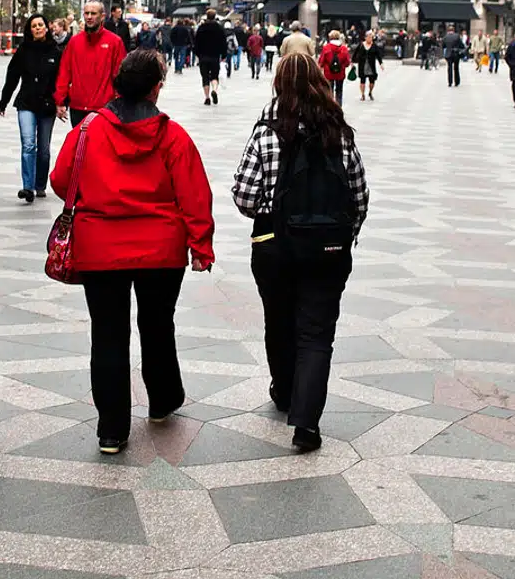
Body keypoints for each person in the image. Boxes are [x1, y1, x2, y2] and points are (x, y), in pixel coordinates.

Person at [49, 50, 214, 454]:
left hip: (100, 247)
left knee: (108, 334)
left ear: (117, 83)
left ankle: (111, 429)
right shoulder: (173, 136)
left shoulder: (87, 130)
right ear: (157, 88)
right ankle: (162, 400)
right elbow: (194, 195)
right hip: (161, 249)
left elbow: (59, 181)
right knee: (158, 325)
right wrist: (200, 245)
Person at [233, 54, 369, 452]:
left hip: (274, 247)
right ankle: (306, 424)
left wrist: (270, 211)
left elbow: (243, 195)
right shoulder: (339, 134)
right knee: (316, 335)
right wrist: (345, 234)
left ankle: (284, 389)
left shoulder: (266, 132)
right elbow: (359, 195)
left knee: (278, 320)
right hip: (328, 250)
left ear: (278, 85)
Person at [0, 13, 64, 204]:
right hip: (26, 103)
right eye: (34, 26)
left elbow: (62, 80)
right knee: (28, 144)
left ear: (47, 27)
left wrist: (62, 102)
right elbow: (12, 77)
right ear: (30, 30)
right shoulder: (23, 51)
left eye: (40, 24)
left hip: (47, 106)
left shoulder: (56, 52)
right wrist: (4, 101)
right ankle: (27, 187)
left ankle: (40, 185)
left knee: (43, 149)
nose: (37, 28)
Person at [55, 1, 126, 128]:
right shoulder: (74, 42)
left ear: (102, 16)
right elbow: (65, 72)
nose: (89, 17)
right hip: (78, 106)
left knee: (100, 147)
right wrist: (60, 100)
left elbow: (120, 75)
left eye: (93, 13)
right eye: (86, 13)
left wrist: (119, 101)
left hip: (105, 107)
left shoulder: (115, 42)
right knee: (80, 146)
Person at [193, 7, 227, 106]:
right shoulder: (219, 28)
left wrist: (197, 54)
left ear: (207, 16)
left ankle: (207, 97)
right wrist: (224, 54)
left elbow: (196, 42)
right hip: (215, 56)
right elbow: (223, 42)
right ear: (215, 16)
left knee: (205, 77)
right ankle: (215, 90)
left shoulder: (201, 28)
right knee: (214, 76)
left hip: (203, 56)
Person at [317, 30, 352, 103]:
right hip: (340, 73)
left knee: (329, 90)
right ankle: (338, 106)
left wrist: (320, 69)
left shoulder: (326, 47)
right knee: (339, 90)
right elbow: (347, 63)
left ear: (330, 37)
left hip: (328, 73)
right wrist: (342, 65)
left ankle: (331, 106)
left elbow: (321, 61)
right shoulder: (344, 48)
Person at [355, 31, 383, 101]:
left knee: (372, 81)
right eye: (369, 37)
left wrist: (381, 63)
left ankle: (370, 92)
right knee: (362, 80)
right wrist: (352, 62)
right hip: (362, 65)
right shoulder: (361, 45)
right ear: (365, 38)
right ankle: (362, 94)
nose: (370, 39)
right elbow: (355, 53)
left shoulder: (374, 46)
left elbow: (378, 55)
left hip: (371, 66)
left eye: (371, 38)